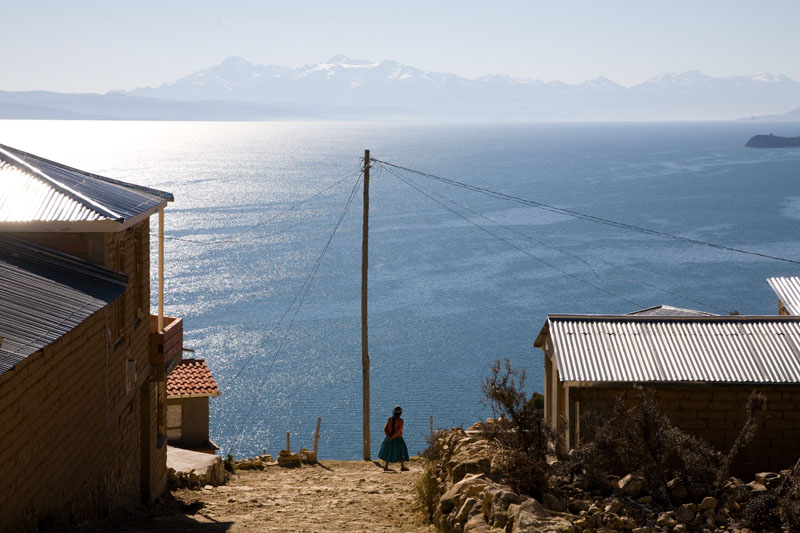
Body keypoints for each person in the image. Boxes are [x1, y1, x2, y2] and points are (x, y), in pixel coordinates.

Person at [378, 406, 409, 471]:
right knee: (401, 452)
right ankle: (402, 466)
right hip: (397, 439)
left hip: (388, 438)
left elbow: (385, 428)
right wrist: (393, 437)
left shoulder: (389, 419)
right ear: (400, 413)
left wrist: (388, 436)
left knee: (388, 452)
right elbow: (398, 431)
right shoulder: (401, 421)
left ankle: (386, 466)